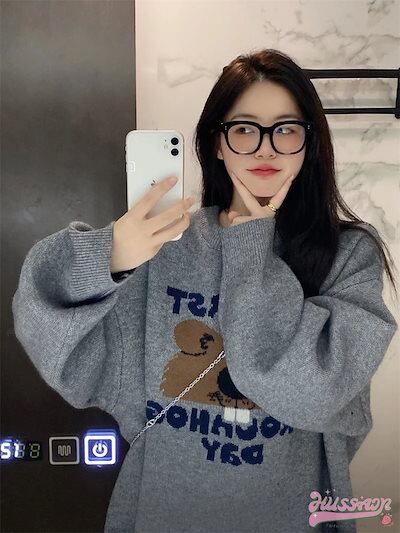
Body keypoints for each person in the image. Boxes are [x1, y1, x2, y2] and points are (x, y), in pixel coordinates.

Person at [12, 48, 398, 533]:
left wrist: (251, 245)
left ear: (308, 142)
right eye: (244, 129)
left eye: (286, 129)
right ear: (217, 142)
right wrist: (108, 256)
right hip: (163, 513)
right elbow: (49, 335)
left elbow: (315, 395)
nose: (266, 149)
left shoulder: (348, 254)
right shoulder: (165, 244)